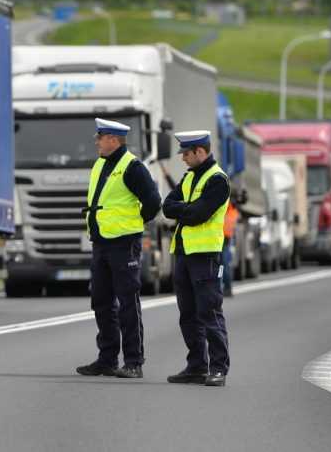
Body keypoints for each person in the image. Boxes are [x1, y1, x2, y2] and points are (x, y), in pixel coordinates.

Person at [76, 118, 161, 379]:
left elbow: (153, 201)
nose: (96, 141)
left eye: (99, 137)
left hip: (124, 243)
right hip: (101, 242)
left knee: (127, 302)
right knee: (101, 301)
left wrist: (133, 224)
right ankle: (107, 359)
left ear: (113, 139)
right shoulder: (101, 164)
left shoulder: (132, 167)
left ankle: (134, 361)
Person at [162, 130, 231, 387]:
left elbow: (199, 214)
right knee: (188, 314)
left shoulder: (218, 180)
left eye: (186, 154)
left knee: (209, 312)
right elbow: (167, 206)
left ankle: (218, 368)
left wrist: (185, 211)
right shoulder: (190, 177)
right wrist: (185, 210)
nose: (182, 159)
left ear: (200, 152)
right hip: (183, 253)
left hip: (205, 256)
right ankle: (196, 366)